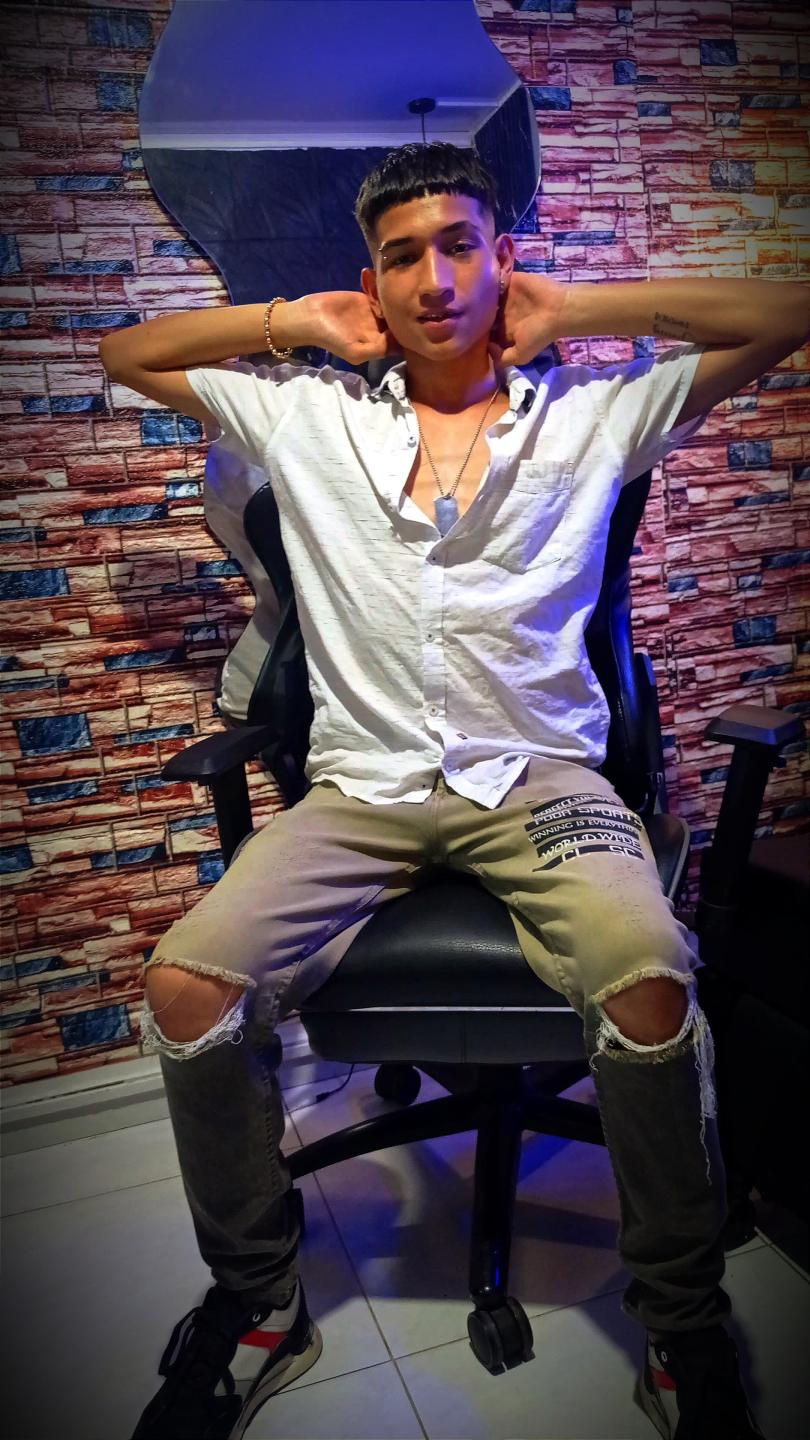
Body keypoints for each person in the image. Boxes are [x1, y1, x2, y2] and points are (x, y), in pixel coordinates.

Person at [99, 142, 808, 1440]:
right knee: (186, 989)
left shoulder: (592, 416)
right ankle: (260, 1304)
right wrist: (291, 322)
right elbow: (127, 353)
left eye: (459, 245)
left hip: (542, 786)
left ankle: (679, 1321)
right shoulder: (307, 419)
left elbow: (784, 312)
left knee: (650, 981)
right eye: (401, 256)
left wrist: (576, 306)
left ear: (501, 258)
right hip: (360, 793)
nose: (433, 278)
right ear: (371, 281)